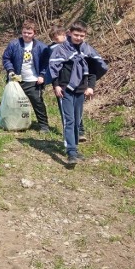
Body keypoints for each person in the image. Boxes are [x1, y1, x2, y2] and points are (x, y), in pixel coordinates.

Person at [49, 21, 108, 165]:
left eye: (82, 35)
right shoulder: (60, 49)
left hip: (81, 89)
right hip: (65, 89)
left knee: (77, 120)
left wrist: (91, 87)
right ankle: (71, 152)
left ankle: (74, 147)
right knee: (69, 120)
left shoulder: (87, 49)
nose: (79, 38)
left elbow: (94, 69)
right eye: (76, 35)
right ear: (69, 33)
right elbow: (54, 68)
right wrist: (56, 86)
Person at [2, 19, 50, 133]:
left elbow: (46, 63)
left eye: (29, 33)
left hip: (33, 81)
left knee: (37, 102)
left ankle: (44, 126)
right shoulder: (14, 44)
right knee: (8, 100)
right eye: (24, 32)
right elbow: (6, 58)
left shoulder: (41, 47)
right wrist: (10, 70)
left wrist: (42, 75)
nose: (26, 35)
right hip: (16, 79)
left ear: (34, 33)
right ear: (21, 32)